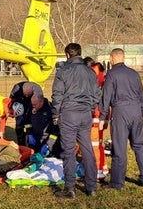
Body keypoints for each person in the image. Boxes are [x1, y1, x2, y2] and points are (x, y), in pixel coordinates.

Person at [51, 43, 100, 198]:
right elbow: (97, 94)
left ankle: (70, 187)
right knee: (87, 149)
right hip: (85, 113)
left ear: (67, 55)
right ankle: (91, 187)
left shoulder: (63, 71)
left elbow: (57, 95)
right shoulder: (90, 72)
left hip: (69, 113)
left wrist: (55, 113)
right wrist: (90, 107)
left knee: (69, 150)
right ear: (80, 53)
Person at [99, 48, 143, 189]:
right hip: (136, 111)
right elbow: (142, 96)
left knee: (119, 148)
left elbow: (106, 97)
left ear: (112, 58)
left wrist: (103, 117)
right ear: (124, 57)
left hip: (120, 112)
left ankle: (117, 183)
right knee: (139, 145)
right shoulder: (134, 74)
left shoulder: (111, 74)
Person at [9, 81, 43, 145]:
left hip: (30, 105)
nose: (26, 96)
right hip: (19, 104)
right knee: (19, 123)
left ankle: (30, 139)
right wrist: (13, 110)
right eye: (25, 95)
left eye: (28, 95)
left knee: (31, 121)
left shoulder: (38, 93)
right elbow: (11, 101)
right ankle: (20, 141)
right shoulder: (16, 89)